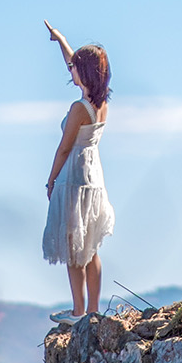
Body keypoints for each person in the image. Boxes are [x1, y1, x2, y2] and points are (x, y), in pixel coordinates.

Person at [41, 21, 115, 322]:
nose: (69, 69)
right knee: (91, 246)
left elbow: (63, 148)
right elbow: (73, 59)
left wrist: (50, 180)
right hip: (94, 177)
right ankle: (94, 311)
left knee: (75, 247)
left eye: (74, 68)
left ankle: (78, 311)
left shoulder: (78, 108)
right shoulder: (100, 104)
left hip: (75, 177)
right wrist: (60, 39)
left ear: (83, 73)